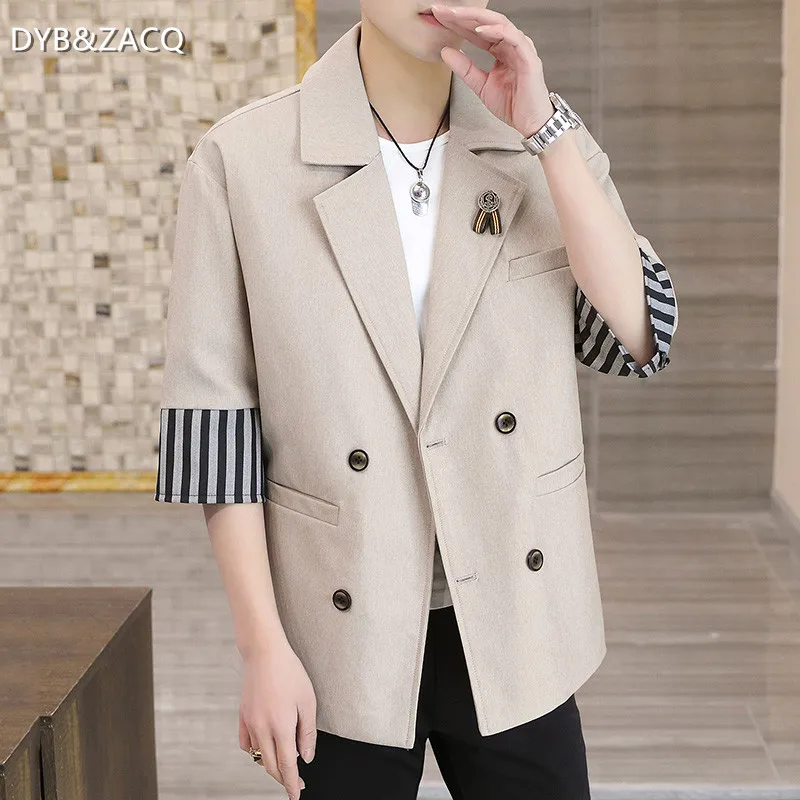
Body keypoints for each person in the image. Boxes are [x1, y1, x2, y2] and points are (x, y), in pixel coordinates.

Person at [154, 3, 678, 799]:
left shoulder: (541, 139)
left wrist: (544, 133)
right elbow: (215, 426)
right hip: (342, 619)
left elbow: (637, 334)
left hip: (515, 604)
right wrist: (262, 649)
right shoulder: (243, 159)